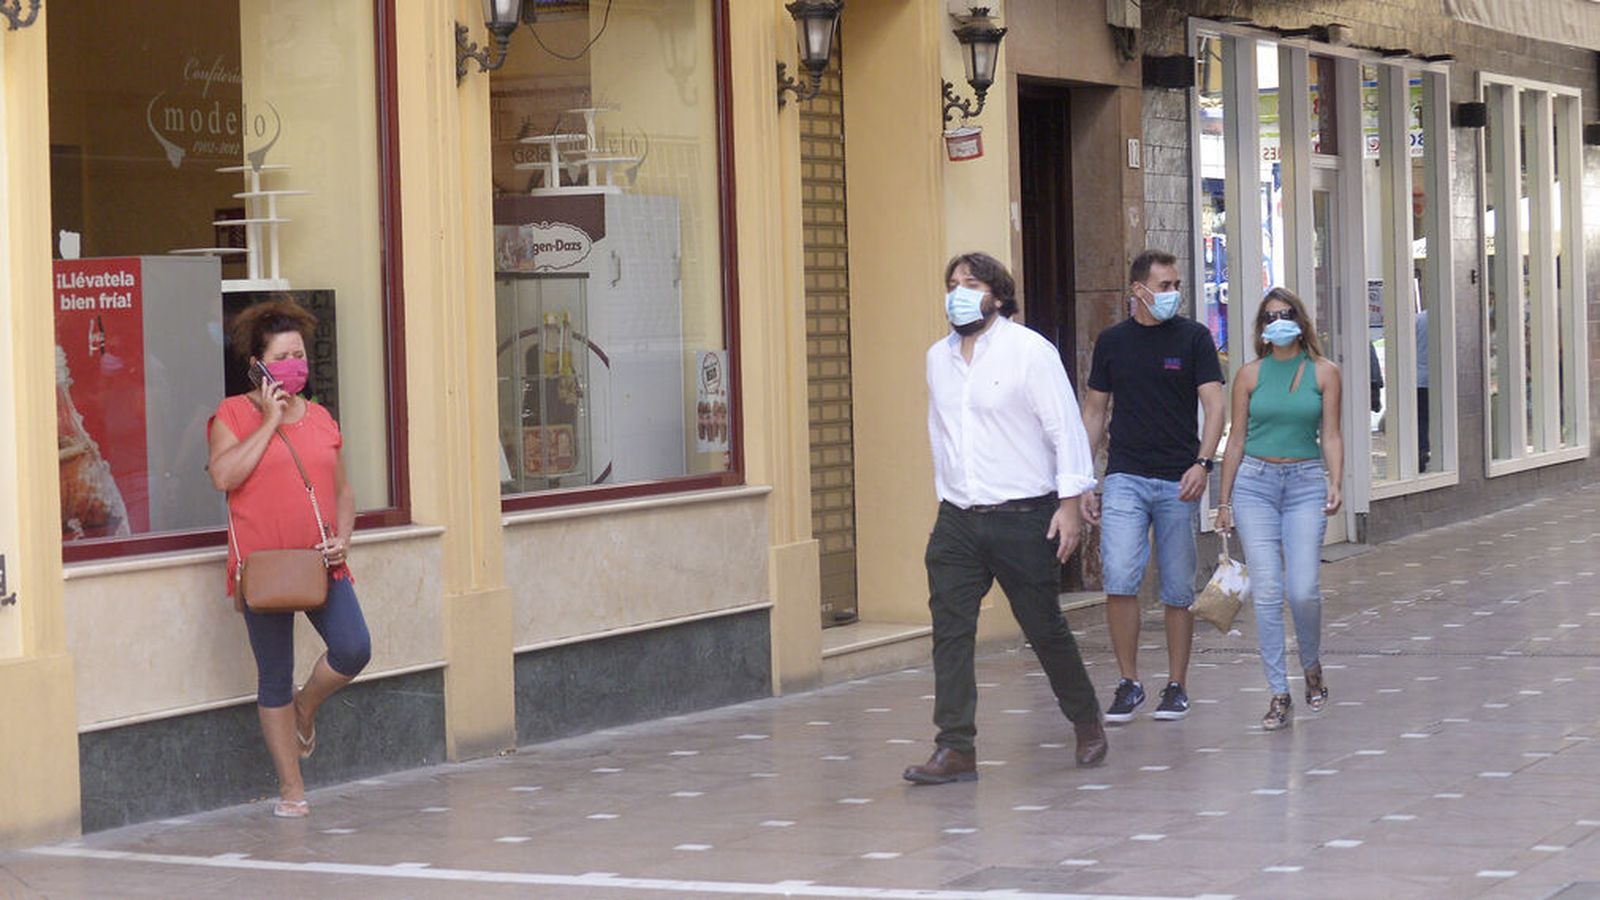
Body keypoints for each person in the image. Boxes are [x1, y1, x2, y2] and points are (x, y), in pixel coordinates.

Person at [904, 252, 1106, 785]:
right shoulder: (937, 358)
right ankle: (955, 747)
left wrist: (1070, 505)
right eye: (952, 284)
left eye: (971, 283)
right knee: (950, 630)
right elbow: (941, 434)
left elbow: (1065, 428)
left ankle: (1086, 719)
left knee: (1043, 626)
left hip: (1024, 516)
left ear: (997, 295)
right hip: (958, 518)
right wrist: (946, 497)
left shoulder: (1029, 351)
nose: (959, 293)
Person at [207, 299, 371, 818]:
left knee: (354, 648)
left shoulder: (321, 418)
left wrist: (343, 539)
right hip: (264, 568)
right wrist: (270, 420)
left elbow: (343, 492)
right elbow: (224, 476)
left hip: (321, 561)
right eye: (282, 357)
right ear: (257, 364)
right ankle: (291, 789)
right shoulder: (232, 414)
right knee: (274, 674)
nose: (294, 364)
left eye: (299, 355)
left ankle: (305, 707)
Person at [1081, 250, 1225, 723]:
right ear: (1138, 290)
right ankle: (1129, 682)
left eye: (1176, 285)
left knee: (1178, 588)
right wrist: (1082, 479)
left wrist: (1203, 463)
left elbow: (1215, 406)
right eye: (1165, 286)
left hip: (1179, 479)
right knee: (1119, 576)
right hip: (1125, 475)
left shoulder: (1194, 338)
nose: (1173, 293)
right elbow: (1095, 411)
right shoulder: (1112, 342)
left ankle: (1177, 684)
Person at [1214, 287, 1344, 731]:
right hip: (1255, 484)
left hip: (1305, 483)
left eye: (1286, 314)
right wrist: (1223, 501)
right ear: (1261, 327)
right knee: (1267, 591)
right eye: (1270, 316)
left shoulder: (1324, 372)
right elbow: (1235, 440)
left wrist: (1336, 481)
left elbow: (1331, 434)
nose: (1279, 321)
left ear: (1301, 321)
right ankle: (1278, 692)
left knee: (1303, 589)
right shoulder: (1249, 375)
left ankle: (1311, 664)